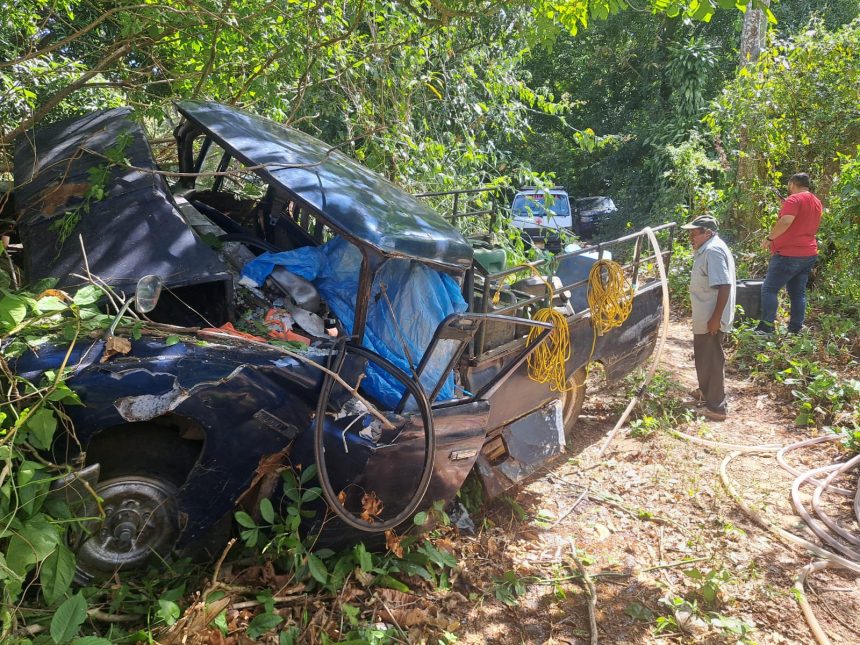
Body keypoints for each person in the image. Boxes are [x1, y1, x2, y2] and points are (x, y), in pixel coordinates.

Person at [682, 215, 736, 421]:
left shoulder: (713, 251)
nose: (690, 237)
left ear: (708, 232)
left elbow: (724, 285)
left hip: (712, 316)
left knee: (712, 359)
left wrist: (715, 318)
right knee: (704, 356)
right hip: (706, 314)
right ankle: (706, 393)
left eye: (694, 233)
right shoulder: (707, 248)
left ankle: (716, 407)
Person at [756, 173, 822, 334]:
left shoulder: (794, 199)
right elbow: (803, 220)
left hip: (789, 254)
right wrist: (785, 206)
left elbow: (786, 221)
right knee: (797, 292)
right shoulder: (816, 201)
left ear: (792, 184)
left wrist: (769, 238)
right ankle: (795, 328)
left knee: (769, 289)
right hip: (808, 253)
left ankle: (766, 328)